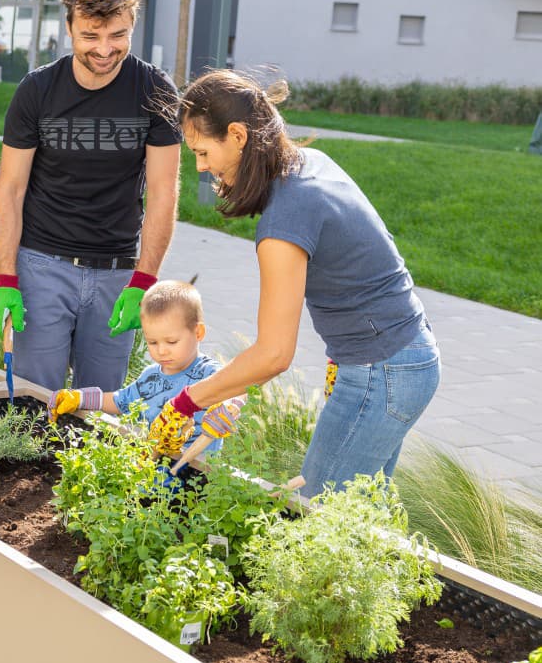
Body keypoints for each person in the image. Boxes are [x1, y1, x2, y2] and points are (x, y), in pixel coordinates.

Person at [155, 69, 440, 495]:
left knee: (318, 513)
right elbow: (367, 263)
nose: (200, 167)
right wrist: (338, 359)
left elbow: (273, 354)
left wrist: (185, 402)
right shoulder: (309, 163)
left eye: (201, 151)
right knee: (361, 519)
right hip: (403, 356)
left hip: (382, 371)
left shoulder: (284, 222)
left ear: (236, 135)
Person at [0, 0, 181, 393]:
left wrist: (143, 282)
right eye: (90, 36)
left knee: (103, 409)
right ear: (70, 28)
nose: (105, 49)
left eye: (118, 36)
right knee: (36, 403)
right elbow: (11, 188)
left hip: (117, 272)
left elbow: (164, 193)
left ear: (133, 24)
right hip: (41, 267)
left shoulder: (154, 90)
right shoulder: (37, 91)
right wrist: (6, 278)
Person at [47, 280, 244, 475]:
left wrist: (230, 406)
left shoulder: (208, 372)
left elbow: (236, 383)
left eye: (172, 341)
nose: (162, 351)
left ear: (198, 332)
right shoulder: (150, 377)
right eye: (152, 342)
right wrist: (78, 397)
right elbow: (120, 401)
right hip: (151, 470)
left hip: (196, 474)